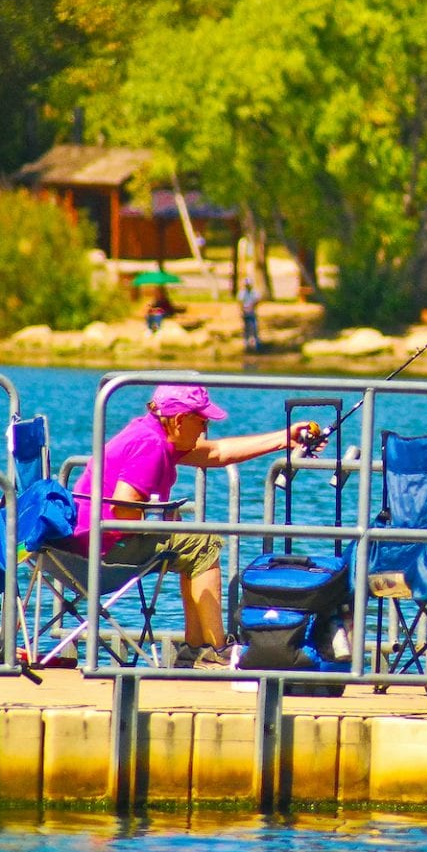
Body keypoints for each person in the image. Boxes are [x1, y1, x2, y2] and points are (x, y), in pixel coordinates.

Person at [66, 384, 321, 670]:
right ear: (179, 420)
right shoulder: (151, 445)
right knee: (202, 542)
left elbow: (216, 452)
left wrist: (284, 439)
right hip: (105, 548)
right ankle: (213, 649)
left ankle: (196, 650)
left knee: (190, 543)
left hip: (86, 542)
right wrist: (162, 519)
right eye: (201, 421)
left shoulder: (152, 432)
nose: (205, 428)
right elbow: (124, 507)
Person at [239, 278, 261, 351]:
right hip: (245, 313)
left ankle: (256, 345)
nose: (247, 286)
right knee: (246, 329)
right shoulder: (242, 293)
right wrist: (242, 311)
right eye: (246, 285)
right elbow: (240, 302)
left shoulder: (254, 292)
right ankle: (246, 345)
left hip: (252, 313)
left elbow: (257, 300)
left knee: (254, 328)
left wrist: (252, 306)